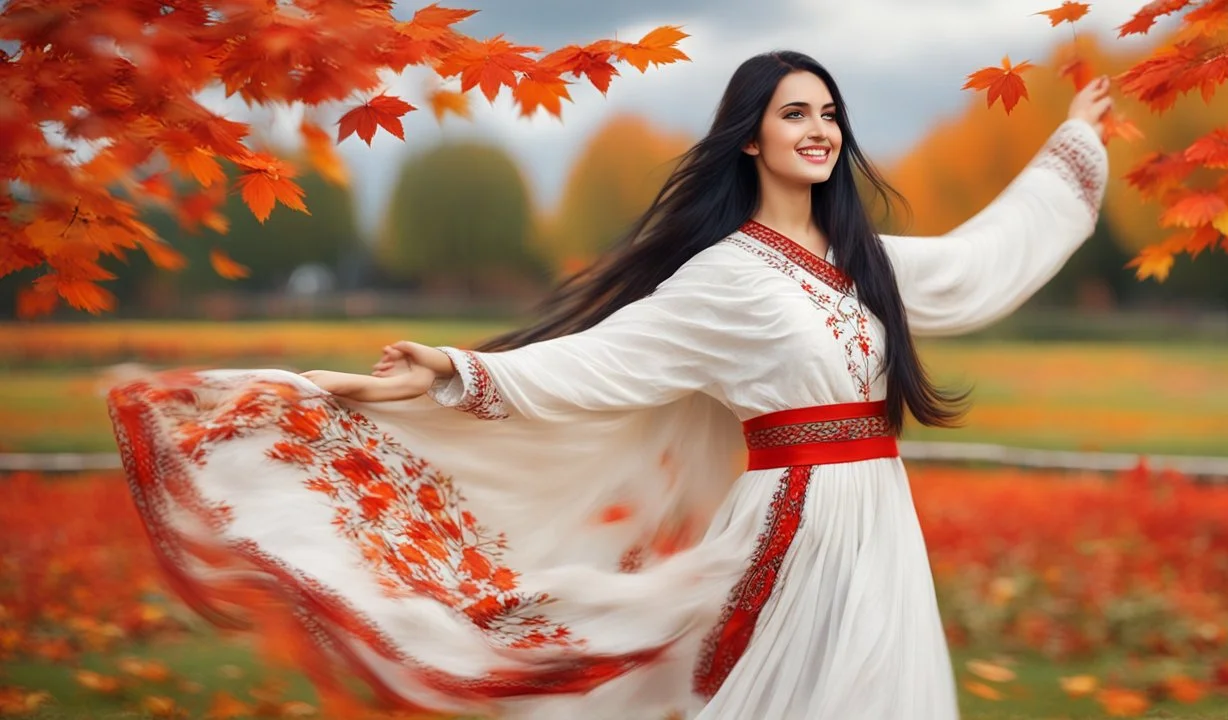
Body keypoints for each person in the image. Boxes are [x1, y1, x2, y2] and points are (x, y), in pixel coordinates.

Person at [108, 51, 1111, 719]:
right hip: (794, 528)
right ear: (749, 138)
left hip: (879, 524)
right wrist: (455, 369)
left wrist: (1072, 143)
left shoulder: (865, 261)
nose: (818, 129)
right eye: (793, 112)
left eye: (830, 115)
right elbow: (599, 362)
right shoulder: (724, 273)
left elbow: (986, 261)